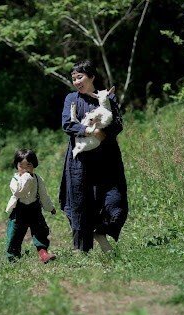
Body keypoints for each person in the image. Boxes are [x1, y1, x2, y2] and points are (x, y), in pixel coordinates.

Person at [59, 60, 128, 253]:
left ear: (91, 77)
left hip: (107, 159)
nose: (76, 81)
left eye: (80, 77)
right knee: (80, 203)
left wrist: (103, 134)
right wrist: (89, 131)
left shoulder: (107, 98)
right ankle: (82, 250)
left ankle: (102, 231)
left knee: (116, 200)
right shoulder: (71, 99)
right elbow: (67, 125)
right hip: (80, 162)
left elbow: (118, 124)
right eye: (73, 78)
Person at [5, 149, 57, 263]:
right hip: (19, 211)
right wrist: (26, 180)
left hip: (34, 210)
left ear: (34, 165)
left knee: (41, 231)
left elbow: (44, 195)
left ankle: (43, 253)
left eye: (28, 165)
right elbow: (18, 192)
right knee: (14, 234)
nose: (24, 169)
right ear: (16, 166)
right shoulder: (15, 180)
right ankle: (12, 257)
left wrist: (50, 207)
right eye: (21, 166)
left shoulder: (38, 179)